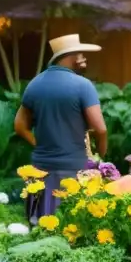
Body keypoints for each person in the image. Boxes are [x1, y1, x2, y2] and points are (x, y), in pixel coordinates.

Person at [15, 34, 107, 221]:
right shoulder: (83, 85)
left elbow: (19, 125)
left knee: (42, 224)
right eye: (81, 54)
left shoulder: (34, 84)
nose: (84, 58)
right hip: (74, 169)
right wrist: (101, 156)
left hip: (40, 169)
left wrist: (39, 144)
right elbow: (101, 129)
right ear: (71, 56)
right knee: (73, 225)